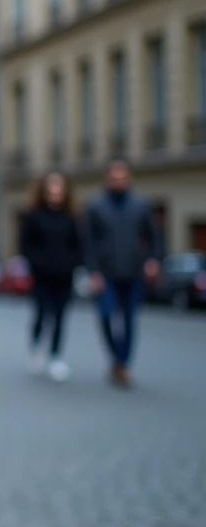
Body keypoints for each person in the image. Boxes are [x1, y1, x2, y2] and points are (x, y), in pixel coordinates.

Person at [83, 160, 163, 387]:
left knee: (128, 319)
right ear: (107, 178)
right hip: (106, 273)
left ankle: (123, 364)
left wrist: (153, 260)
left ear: (129, 178)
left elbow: (155, 237)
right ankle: (117, 359)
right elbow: (88, 243)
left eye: (122, 177)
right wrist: (93, 271)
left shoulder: (141, 206)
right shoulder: (96, 207)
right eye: (114, 177)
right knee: (106, 316)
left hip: (133, 271)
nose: (118, 181)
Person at [19, 171, 82, 382]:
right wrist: (39, 264)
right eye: (51, 188)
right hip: (42, 276)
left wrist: (72, 265)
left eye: (59, 188)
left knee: (60, 317)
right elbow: (26, 246)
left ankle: (56, 357)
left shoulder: (71, 217)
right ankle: (37, 349)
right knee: (41, 314)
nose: (55, 192)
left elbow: (78, 246)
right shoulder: (34, 216)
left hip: (64, 276)